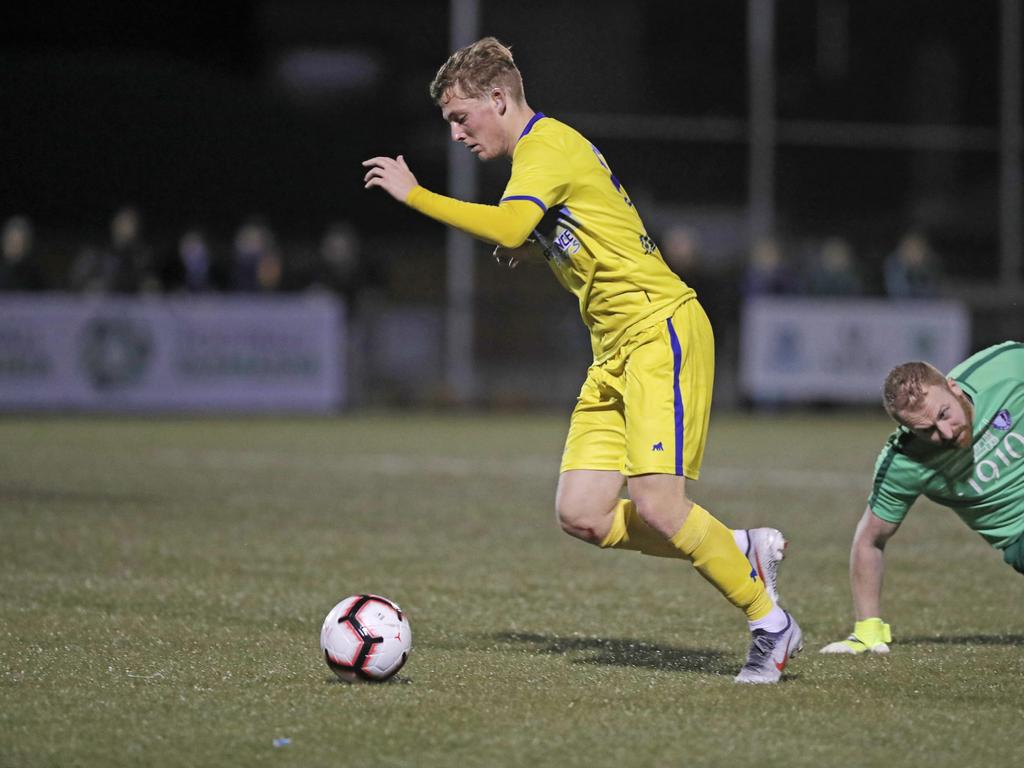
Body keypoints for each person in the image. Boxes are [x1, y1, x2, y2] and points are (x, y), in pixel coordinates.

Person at [363, 36, 802, 683]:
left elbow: (512, 226)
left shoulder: (545, 147)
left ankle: (771, 622)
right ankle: (737, 547)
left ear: (496, 98)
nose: (456, 134)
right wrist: (538, 244)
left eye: (460, 118)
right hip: (615, 353)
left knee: (658, 505)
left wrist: (415, 195)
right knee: (583, 515)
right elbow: (578, 228)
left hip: (660, 332)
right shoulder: (543, 156)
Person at [821, 341, 1024, 655]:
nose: (944, 433)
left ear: (953, 387)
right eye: (926, 430)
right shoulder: (903, 463)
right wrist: (867, 630)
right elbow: (870, 540)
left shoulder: (1007, 367)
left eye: (944, 413)